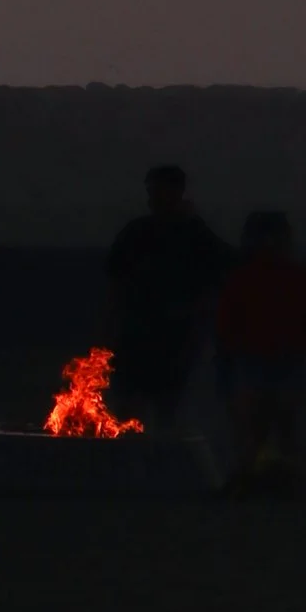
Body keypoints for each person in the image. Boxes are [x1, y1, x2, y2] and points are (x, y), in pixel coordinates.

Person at [104, 165, 234, 434]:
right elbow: (114, 278)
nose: (153, 198)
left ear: (176, 192)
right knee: (131, 405)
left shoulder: (195, 235)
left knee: (166, 407)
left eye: (158, 191)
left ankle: (159, 460)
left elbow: (224, 269)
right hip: (137, 334)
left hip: (174, 337)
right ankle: (131, 459)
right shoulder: (138, 231)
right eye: (151, 191)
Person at [214, 210, 306, 488]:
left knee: (263, 423)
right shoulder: (294, 277)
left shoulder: (245, 278)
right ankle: (276, 475)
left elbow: (227, 321)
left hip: (264, 357)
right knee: (276, 422)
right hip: (273, 357)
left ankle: (258, 474)